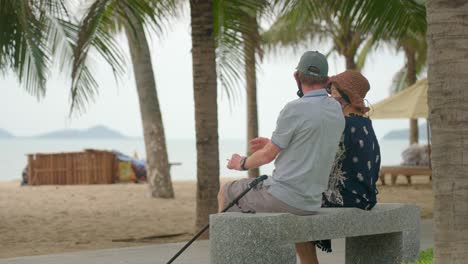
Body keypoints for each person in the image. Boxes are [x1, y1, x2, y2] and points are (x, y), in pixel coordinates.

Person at [219, 51, 345, 264]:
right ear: (328, 80)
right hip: (311, 201)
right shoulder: (336, 110)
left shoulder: (294, 109)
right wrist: (271, 142)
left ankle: (223, 256)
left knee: (226, 191)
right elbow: (308, 144)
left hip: (284, 198)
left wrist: (240, 163)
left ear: (297, 77)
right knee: (298, 225)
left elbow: (267, 156)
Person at [316, 70, 381, 253]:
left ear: (346, 96)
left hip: (347, 198)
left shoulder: (342, 124)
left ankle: (308, 261)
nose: (331, 97)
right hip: (366, 196)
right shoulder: (365, 124)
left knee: (297, 204)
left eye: (334, 92)